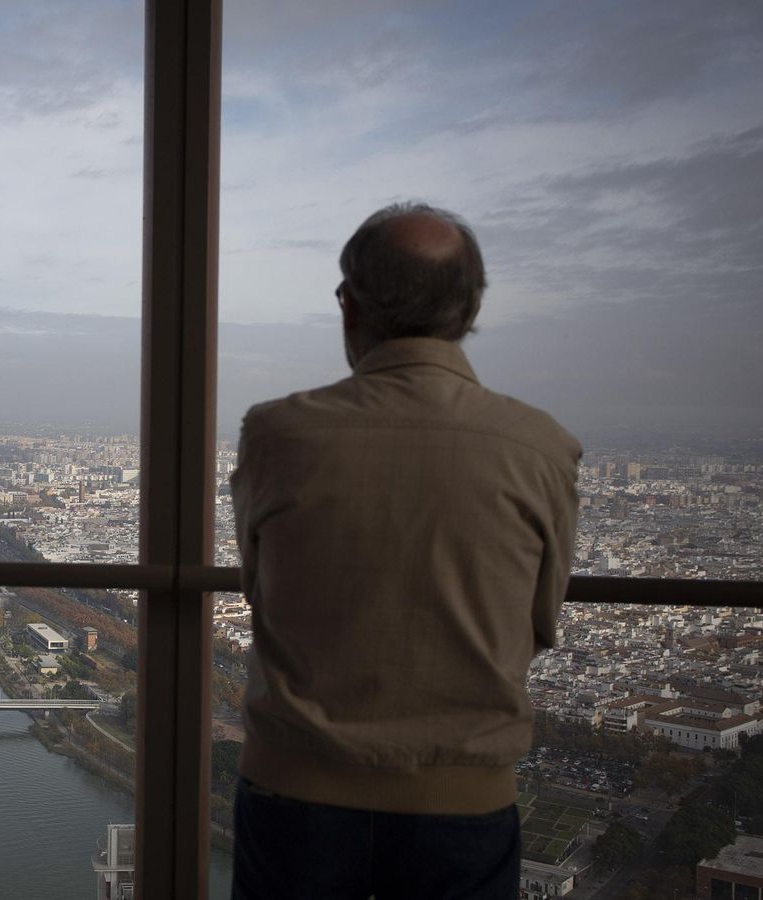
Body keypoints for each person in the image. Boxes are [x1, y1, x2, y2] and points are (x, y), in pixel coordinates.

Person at [229, 202, 581, 898]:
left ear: (349, 306)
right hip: (461, 803)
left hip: (295, 788)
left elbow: (258, 586)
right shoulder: (541, 446)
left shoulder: (277, 433)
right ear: (470, 308)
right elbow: (541, 618)